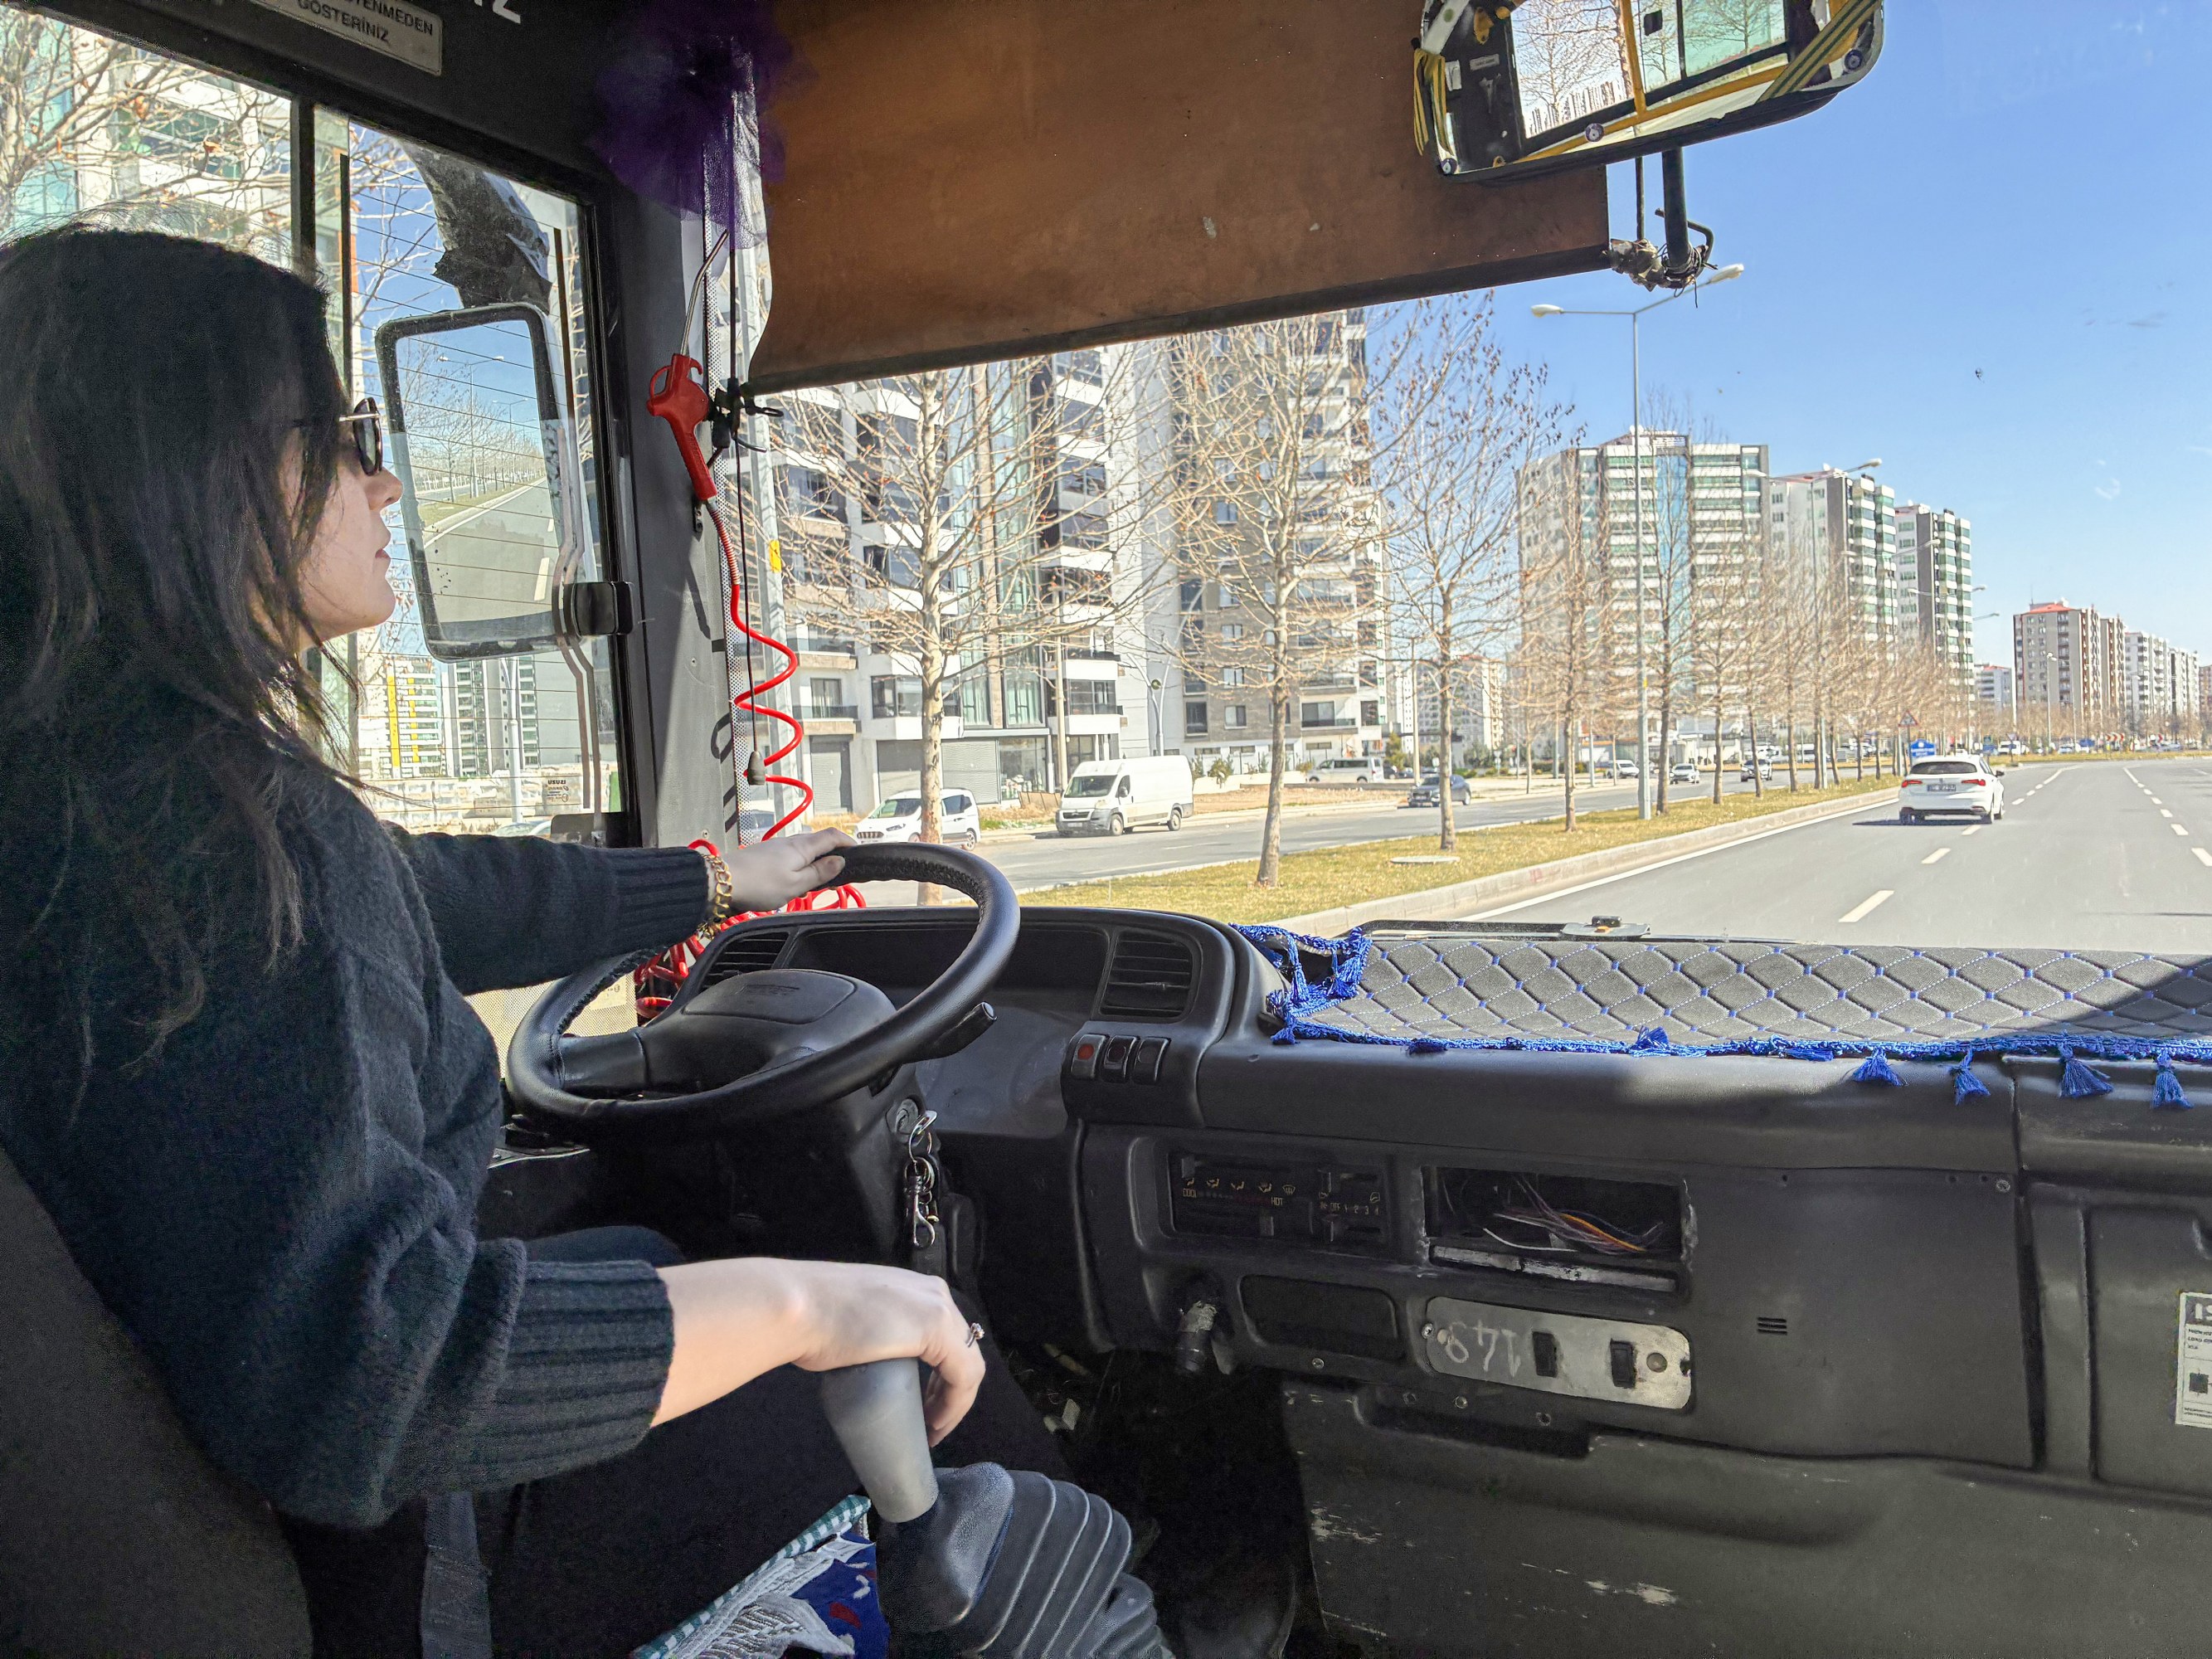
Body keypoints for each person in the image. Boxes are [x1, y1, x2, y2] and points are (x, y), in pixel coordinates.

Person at [0, 226, 1062, 1654]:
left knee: (648, 1246)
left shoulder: (91, 802)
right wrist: (816, 1303)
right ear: (200, 477)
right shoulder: (234, 841)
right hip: (396, 1567)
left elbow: (424, 897)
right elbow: (376, 1382)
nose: (383, 483)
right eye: (344, 440)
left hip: (234, 1513)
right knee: (937, 1367)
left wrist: (712, 883)